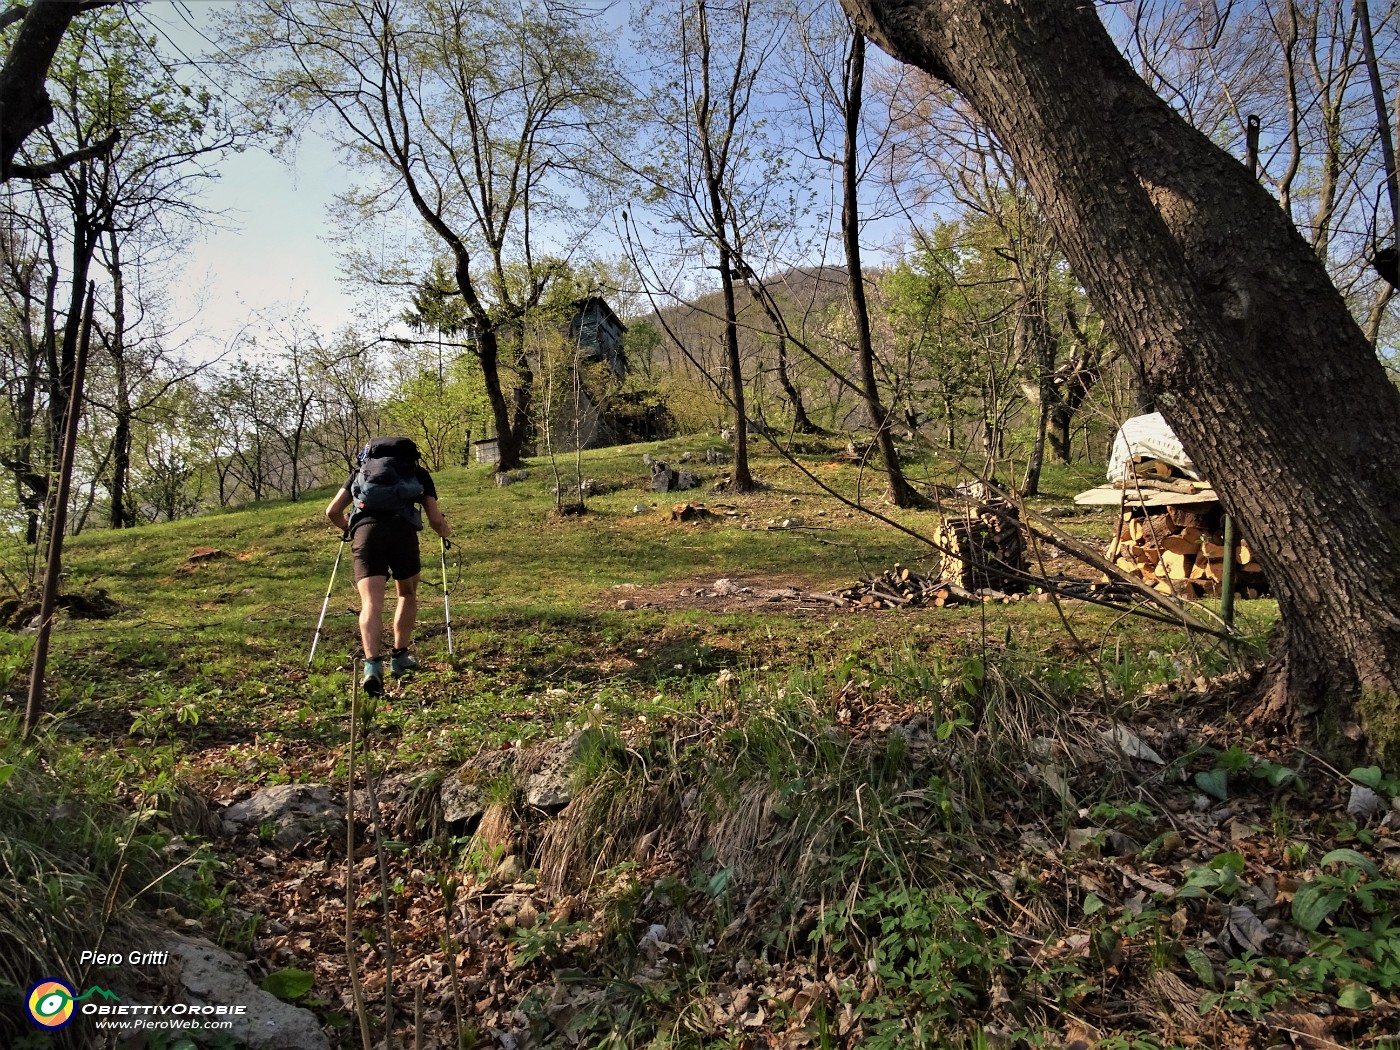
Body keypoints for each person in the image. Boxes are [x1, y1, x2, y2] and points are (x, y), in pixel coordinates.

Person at [325, 437, 451, 696]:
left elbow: (332, 511)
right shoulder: (417, 473)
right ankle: (400, 656)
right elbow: (436, 519)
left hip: (366, 535)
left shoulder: (360, 472)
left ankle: (372, 666)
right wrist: (445, 534)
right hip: (402, 533)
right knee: (406, 593)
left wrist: (351, 527)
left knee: (371, 603)